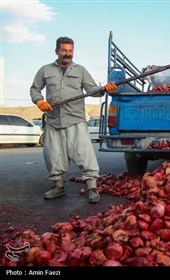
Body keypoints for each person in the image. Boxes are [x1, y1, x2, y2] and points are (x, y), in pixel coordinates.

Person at [30, 37, 117, 203]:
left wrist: (104, 89)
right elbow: (35, 89)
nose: (67, 54)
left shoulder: (80, 70)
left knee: (85, 154)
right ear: (57, 51)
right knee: (53, 155)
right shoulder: (45, 70)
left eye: (70, 51)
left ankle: (92, 188)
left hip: (75, 119)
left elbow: (92, 89)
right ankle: (58, 187)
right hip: (54, 120)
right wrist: (39, 101)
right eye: (64, 50)